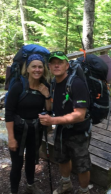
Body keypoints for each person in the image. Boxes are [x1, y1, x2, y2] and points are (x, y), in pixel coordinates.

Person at [39, 51, 92, 194]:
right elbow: (52, 105)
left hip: (79, 131)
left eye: (60, 62)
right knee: (62, 158)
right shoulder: (54, 83)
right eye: (53, 63)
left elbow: (80, 115)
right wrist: (46, 96)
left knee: (82, 165)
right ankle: (66, 184)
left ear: (67, 65)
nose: (56, 65)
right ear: (49, 66)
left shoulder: (77, 84)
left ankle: (84, 191)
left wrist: (52, 120)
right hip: (62, 130)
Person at [5, 54, 51, 194]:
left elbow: (49, 109)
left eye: (40, 67)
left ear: (43, 68)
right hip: (18, 131)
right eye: (34, 66)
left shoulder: (45, 85)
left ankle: (31, 185)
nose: (37, 70)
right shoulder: (19, 86)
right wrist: (11, 138)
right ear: (28, 68)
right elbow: (9, 113)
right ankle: (14, 191)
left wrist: (47, 95)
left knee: (31, 160)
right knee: (17, 164)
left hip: (36, 131)